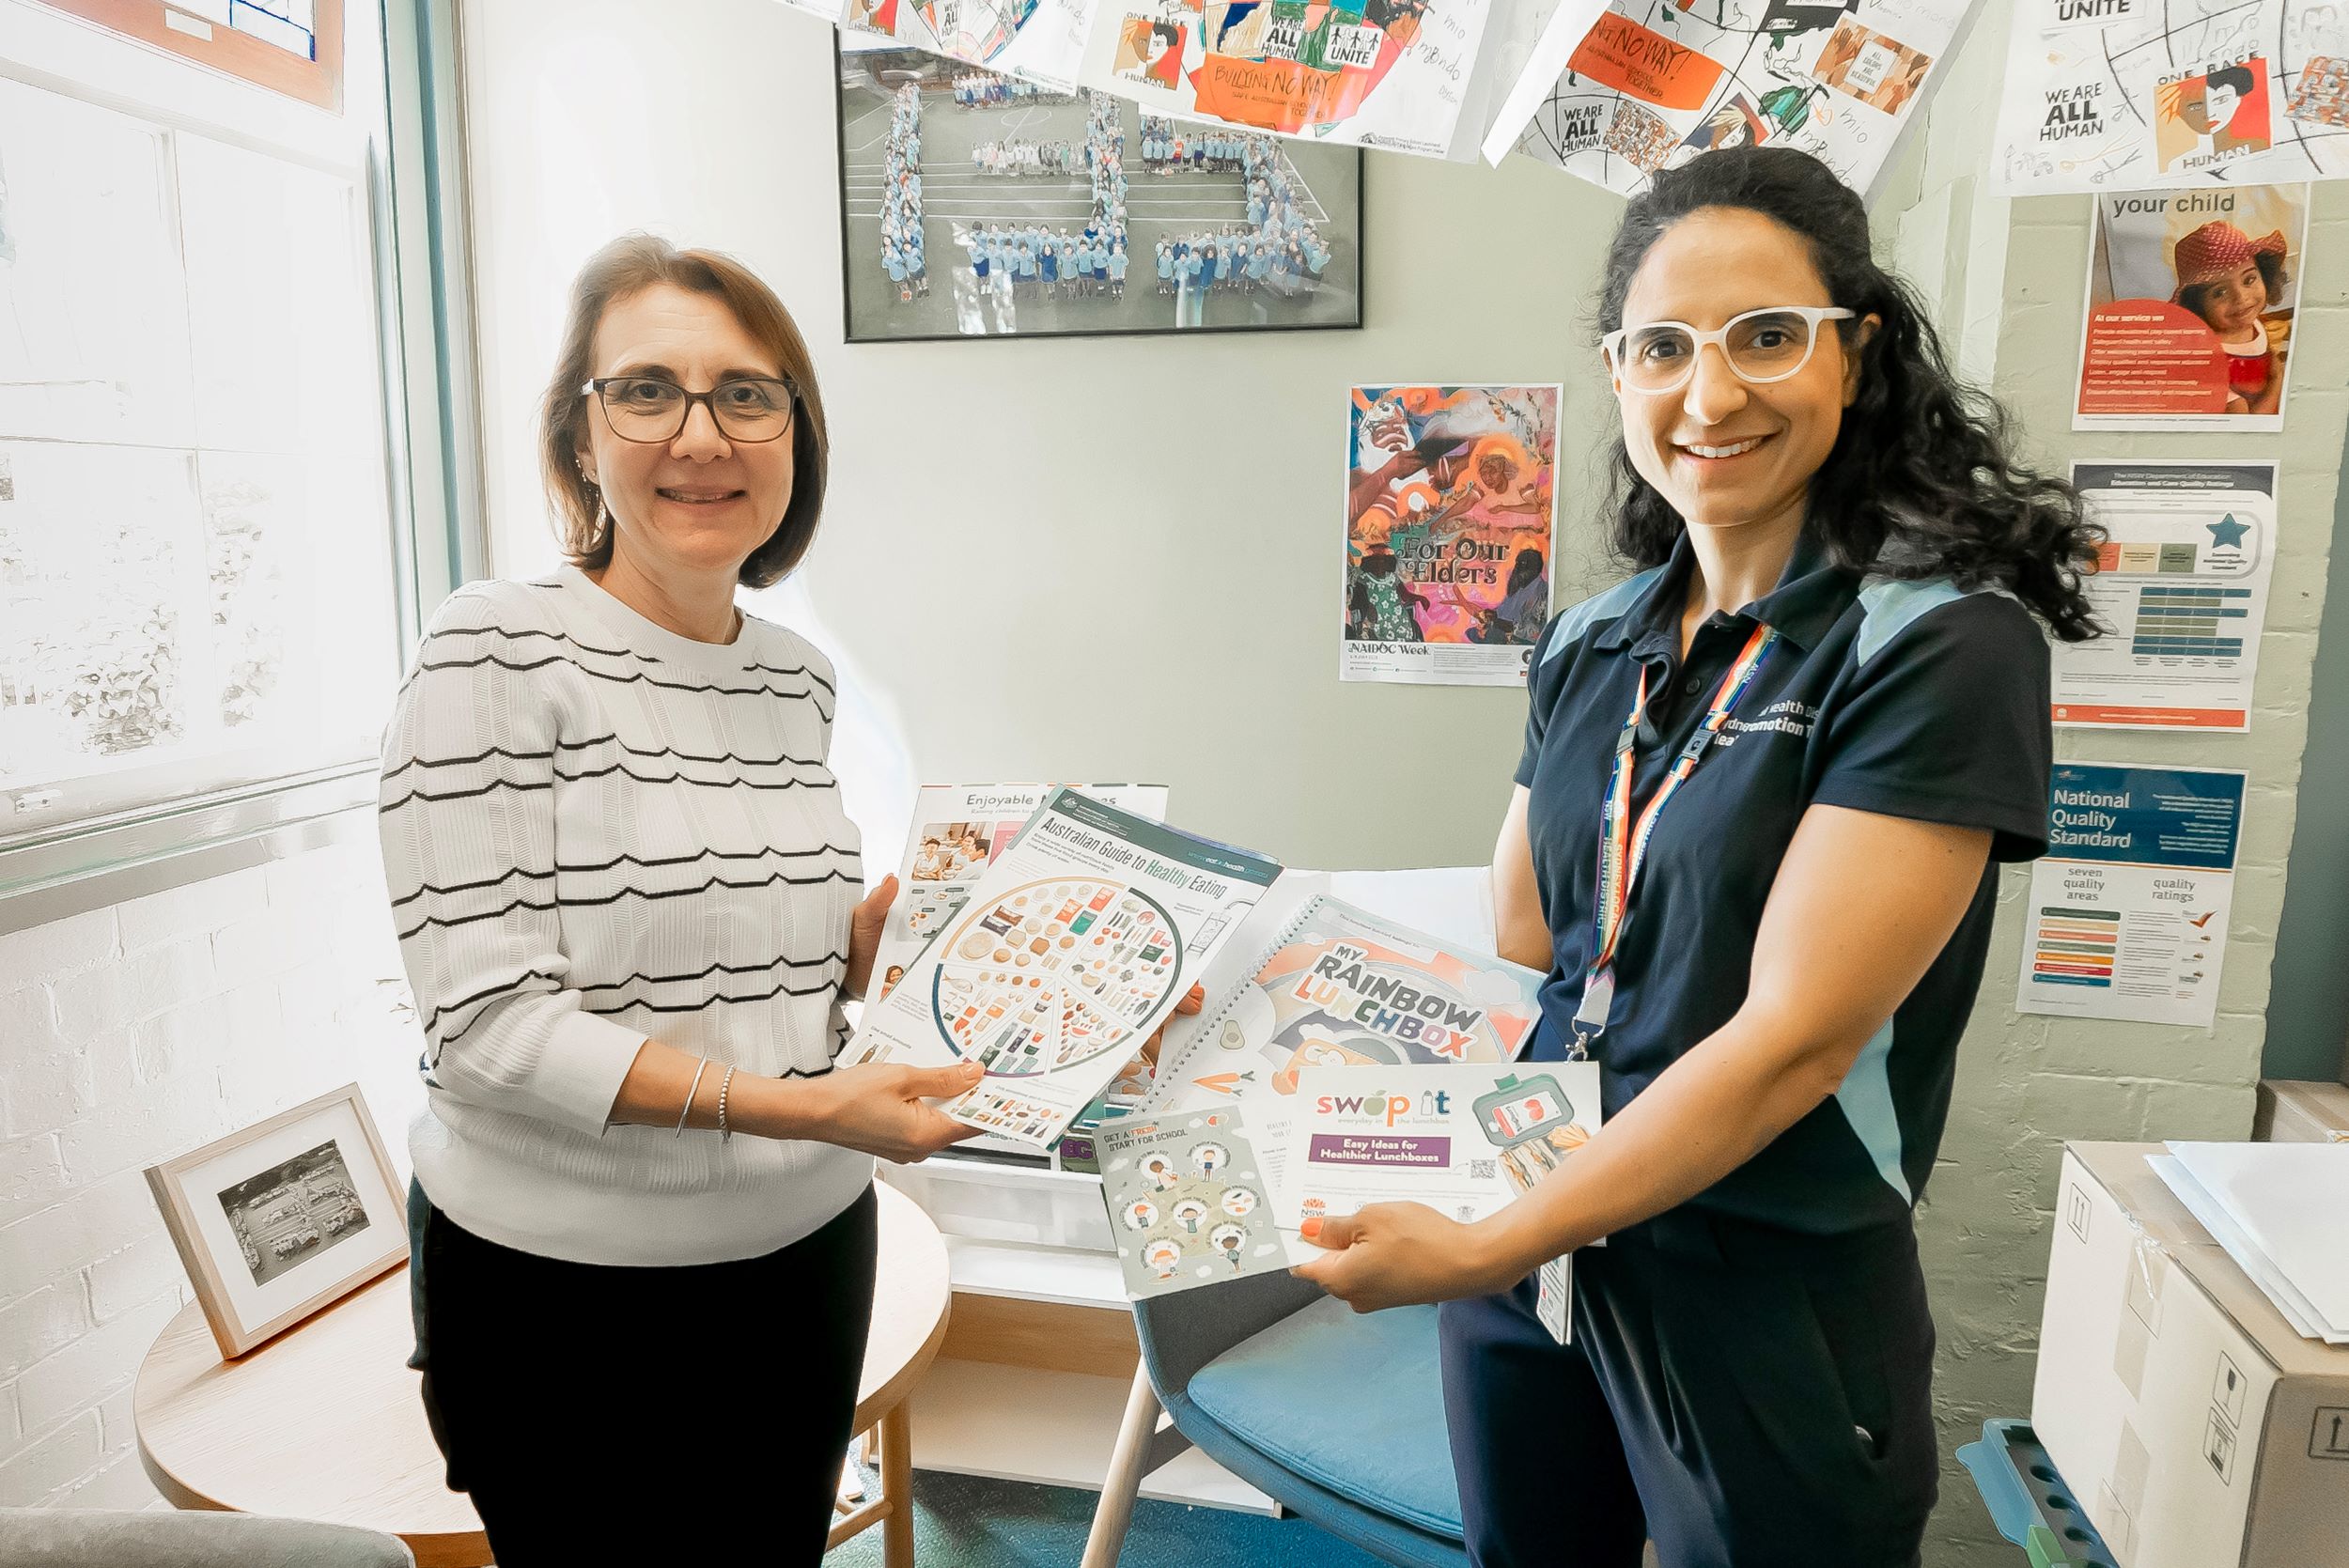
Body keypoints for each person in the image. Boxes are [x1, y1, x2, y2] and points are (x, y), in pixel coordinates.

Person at [1294, 148, 2103, 1568]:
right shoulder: (1589, 638)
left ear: (1856, 356)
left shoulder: (1937, 644)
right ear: (1619, 372)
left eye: (1766, 338)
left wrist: (1483, 1243)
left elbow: (1794, 1043)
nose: (1710, 394)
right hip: (1536, 1230)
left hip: (1761, 1280)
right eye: (1662, 347)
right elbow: (1536, 938)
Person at [381, 235, 1200, 1564]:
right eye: (647, 390)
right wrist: (805, 1107)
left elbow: (752, 958)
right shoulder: (494, 645)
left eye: (747, 395)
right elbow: (490, 1020)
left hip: (803, 1258)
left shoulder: (792, 681)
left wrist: (892, 950)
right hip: (565, 1296)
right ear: (581, 441)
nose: (701, 431)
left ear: (794, 442)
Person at [2171, 219, 2290, 414]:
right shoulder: (2208, 361)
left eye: (2249, 279)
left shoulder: (2248, 320)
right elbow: (2246, 428)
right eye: (2220, 292)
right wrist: (2277, 380)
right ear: (2197, 304)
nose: (2241, 298)